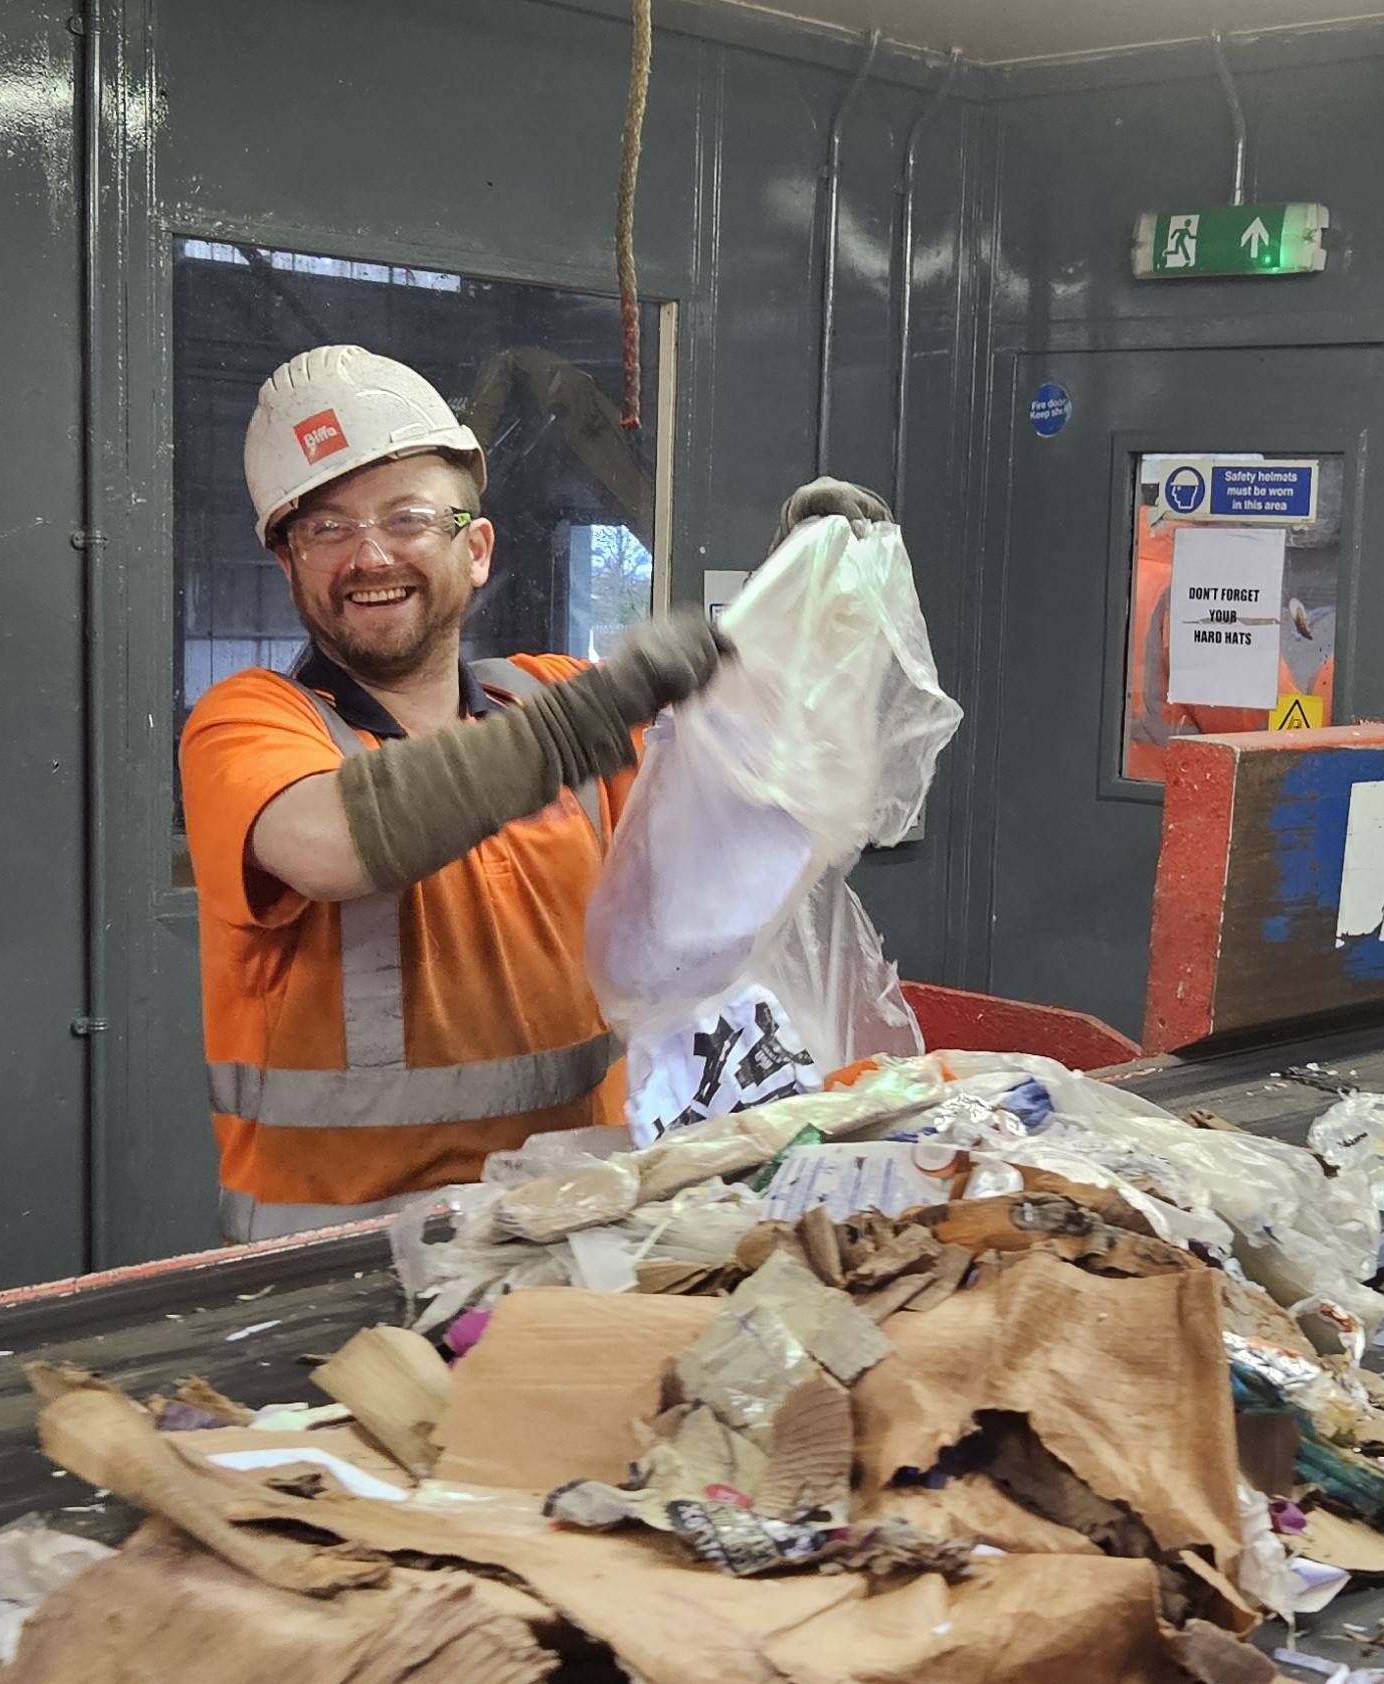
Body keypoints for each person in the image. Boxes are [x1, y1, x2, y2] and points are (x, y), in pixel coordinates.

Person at [179, 344, 887, 1242]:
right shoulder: (250, 723)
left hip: (575, 1235)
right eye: (324, 529)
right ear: (289, 568)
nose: (368, 556)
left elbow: (751, 784)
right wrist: (600, 708)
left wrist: (804, 600)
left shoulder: (544, 696)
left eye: (408, 518)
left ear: (475, 549)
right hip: (344, 1274)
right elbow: (329, 844)